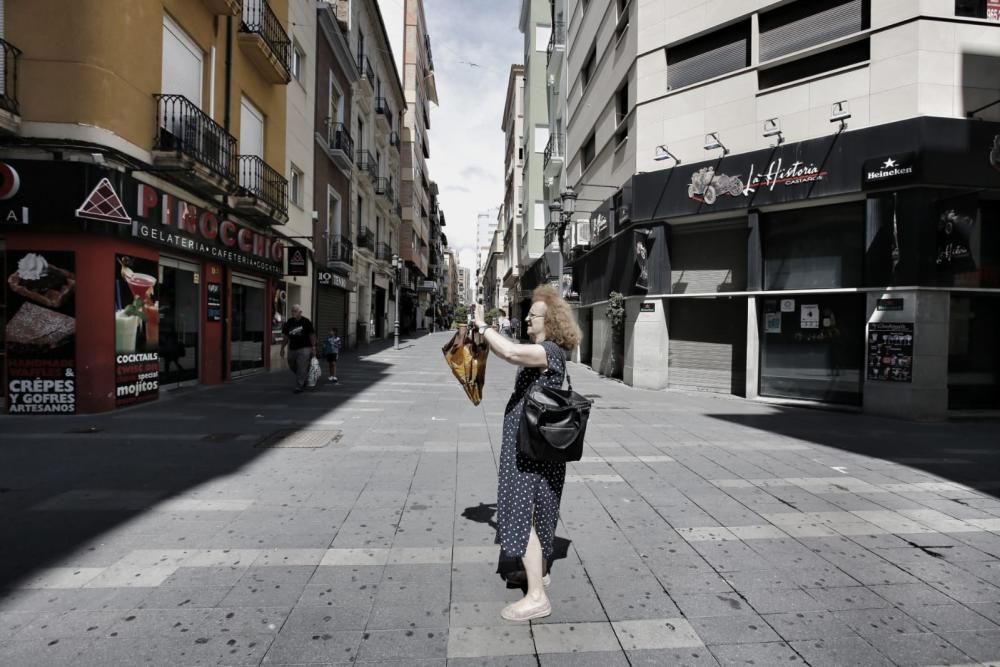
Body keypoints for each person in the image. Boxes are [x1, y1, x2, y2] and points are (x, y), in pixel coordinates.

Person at [474, 285, 581, 622]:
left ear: (549, 321)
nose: (526, 320)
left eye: (532, 316)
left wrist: (483, 325)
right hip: (538, 447)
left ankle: (537, 597)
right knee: (542, 511)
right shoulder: (546, 350)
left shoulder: (548, 351)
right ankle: (538, 573)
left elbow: (511, 353)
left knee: (521, 512)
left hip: (529, 450)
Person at [280, 304, 316, 393]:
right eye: (292, 311)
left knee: (301, 366)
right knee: (291, 363)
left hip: (304, 348)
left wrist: (313, 347)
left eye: (295, 311)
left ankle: (299, 386)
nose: (293, 312)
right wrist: (282, 348)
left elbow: (311, 335)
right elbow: (286, 336)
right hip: (292, 347)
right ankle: (303, 376)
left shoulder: (306, 322)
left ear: (300, 312)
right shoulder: (289, 322)